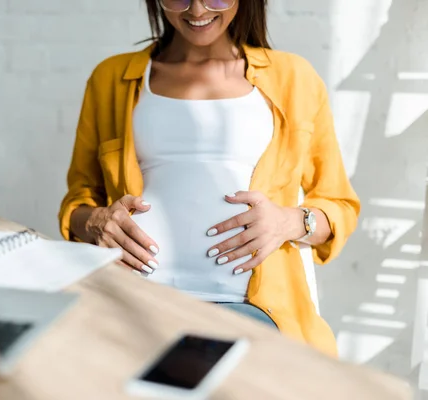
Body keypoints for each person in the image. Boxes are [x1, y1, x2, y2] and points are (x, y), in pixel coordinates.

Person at [58, 0, 360, 357]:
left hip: (247, 308)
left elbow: (339, 205)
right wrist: (95, 221)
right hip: (134, 298)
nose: (197, 10)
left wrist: (289, 221)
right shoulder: (111, 78)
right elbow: (79, 199)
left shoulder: (294, 78)